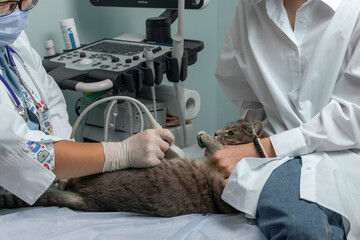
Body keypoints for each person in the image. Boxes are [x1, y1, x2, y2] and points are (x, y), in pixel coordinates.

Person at [0, 0, 174, 206]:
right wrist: (121, 153)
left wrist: (70, 159)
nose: (18, 16)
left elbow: (49, 97)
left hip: (44, 189)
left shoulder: (14, 40)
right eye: (6, 6)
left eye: (26, 2)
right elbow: (15, 150)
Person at [213, 0, 360, 239]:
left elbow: (354, 116)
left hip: (344, 154)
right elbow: (247, 94)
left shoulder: (354, 10)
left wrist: (264, 149)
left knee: (301, 227)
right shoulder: (249, 7)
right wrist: (240, 144)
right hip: (273, 156)